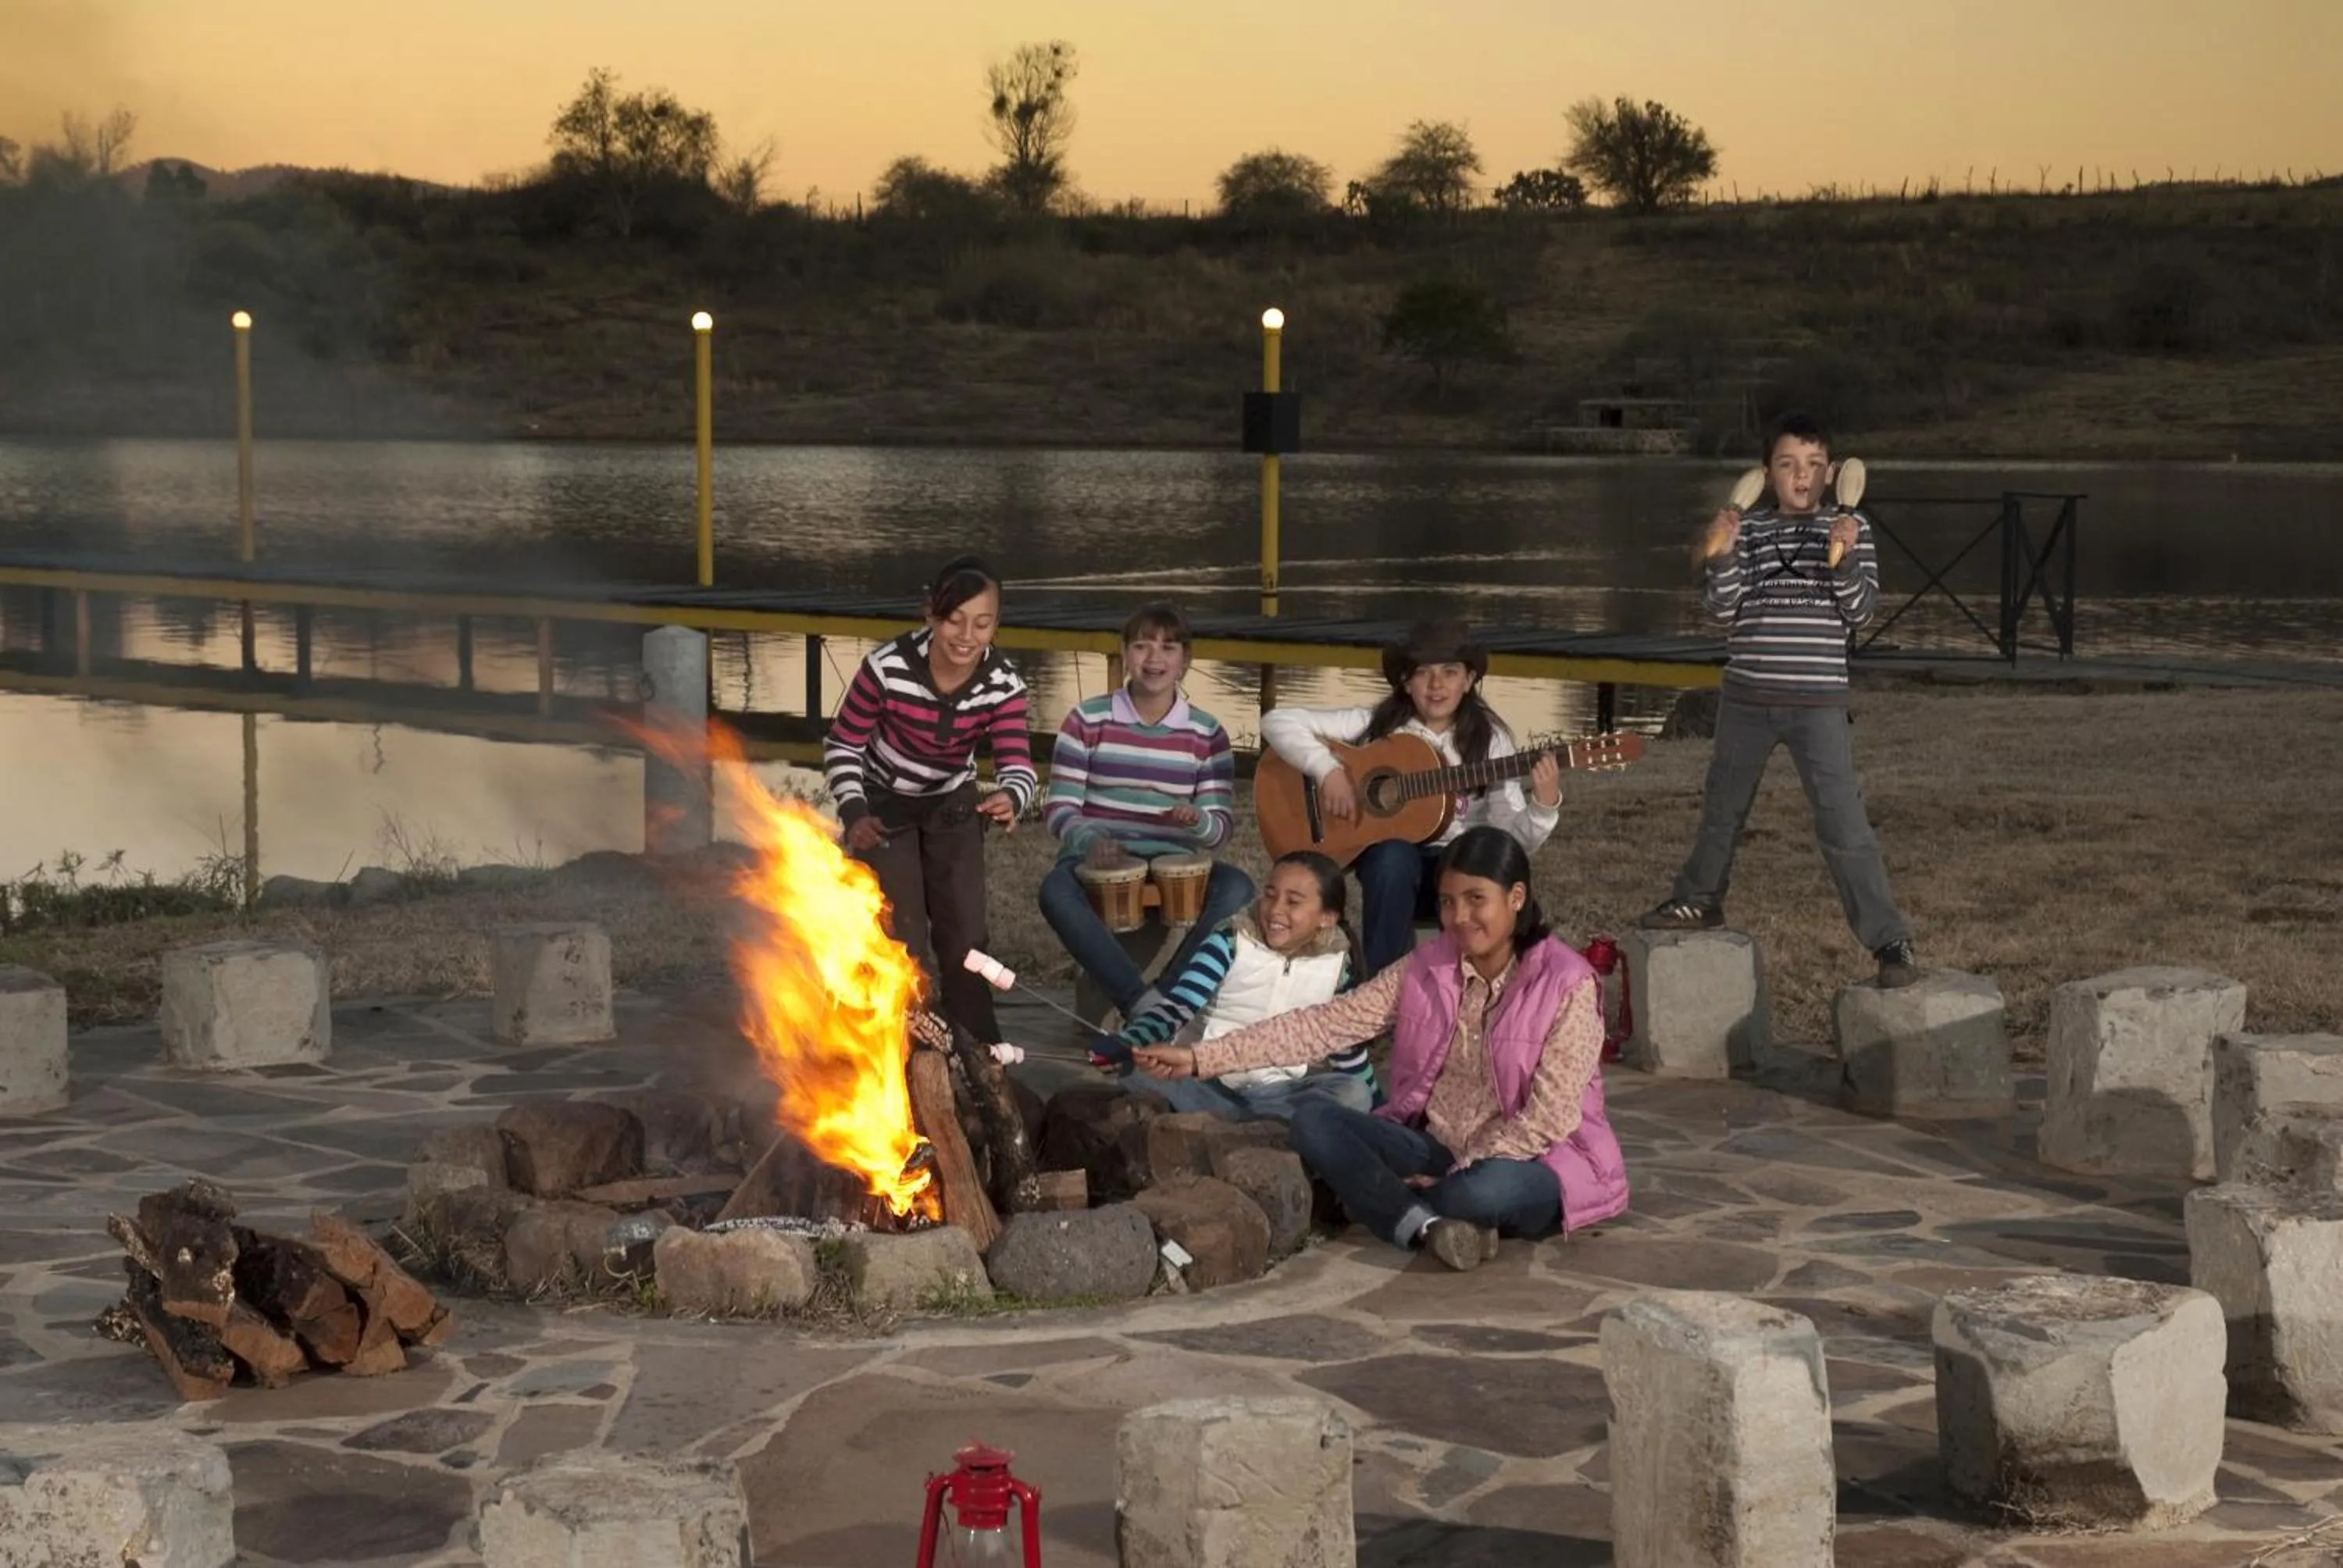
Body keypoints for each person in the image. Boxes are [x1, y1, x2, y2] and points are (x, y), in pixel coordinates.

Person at [1134, 825, 1628, 1272]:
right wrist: (1201, 1058)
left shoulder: (1568, 983)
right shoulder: (1428, 966)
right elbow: (1326, 1025)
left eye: (1476, 899)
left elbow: (1551, 1120)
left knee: (1478, 1192)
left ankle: (1414, 1207)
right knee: (1315, 1119)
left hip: (1533, 1161)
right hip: (1436, 1145)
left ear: (1516, 897)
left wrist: (1461, 1171)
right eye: (1448, 902)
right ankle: (1426, 1226)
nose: (1459, 918)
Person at [1641, 412, 1920, 988]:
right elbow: (1721, 609)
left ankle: (1889, 939)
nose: (1802, 477)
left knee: (1843, 823)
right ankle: (1699, 898)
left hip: (1818, 702)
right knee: (1722, 807)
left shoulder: (1853, 528)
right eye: (1789, 465)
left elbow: (1861, 611)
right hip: (1746, 696)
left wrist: (1840, 553)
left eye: (1815, 466)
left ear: (1834, 474)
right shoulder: (1755, 531)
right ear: (1767, 473)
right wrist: (1721, 554)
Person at [1261, 621, 1561, 977]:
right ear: (1405, 682)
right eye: (1423, 673)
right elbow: (1276, 721)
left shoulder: (1491, 741)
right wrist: (1328, 772)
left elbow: (1508, 845)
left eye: (1450, 673)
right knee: (1393, 855)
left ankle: (1501, 986)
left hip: (1460, 870)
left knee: (1491, 875)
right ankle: (1378, 990)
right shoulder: (1378, 725)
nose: (1437, 685)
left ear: (1468, 681)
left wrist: (1542, 807)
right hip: (1393, 872)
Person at [824, 555, 1034, 1041]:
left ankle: (978, 1045)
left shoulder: (1003, 685)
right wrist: (855, 811)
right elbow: (843, 744)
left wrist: (1010, 796)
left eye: (982, 624)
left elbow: (1017, 763)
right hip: (882, 802)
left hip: (951, 802)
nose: (966, 636)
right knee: (902, 935)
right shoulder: (886, 668)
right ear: (930, 615)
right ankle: (900, 1042)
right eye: (954, 619)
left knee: (965, 935)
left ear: (995, 625)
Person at [1038, 601, 1255, 1023]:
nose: (1154, 659)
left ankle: (1168, 995)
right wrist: (1090, 842)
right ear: (1125, 652)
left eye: (1169, 648)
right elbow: (1060, 806)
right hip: (1099, 854)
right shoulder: (1086, 719)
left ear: (1185, 661)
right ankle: (1139, 1001)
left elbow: (1219, 831)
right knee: (1054, 892)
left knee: (1239, 890)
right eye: (1142, 646)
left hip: (1175, 860)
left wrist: (1198, 820)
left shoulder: (1207, 733)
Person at [1093, 850, 1377, 1121]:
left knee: (1354, 1094)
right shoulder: (1230, 940)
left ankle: (1231, 1121)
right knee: (1138, 1073)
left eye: (1293, 902)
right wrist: (1128, 1042)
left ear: (1327, 918)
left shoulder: (1338, 965)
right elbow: (1178, 1007)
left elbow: (1345, 1046)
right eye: (1270, 895)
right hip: (1203, 1079)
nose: (1275, 909)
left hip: (1276, 1092)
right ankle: (1259, 1125)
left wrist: (1385, 1110)